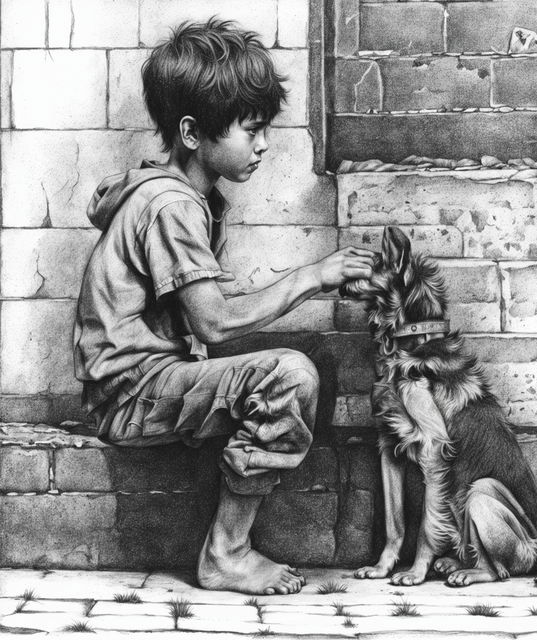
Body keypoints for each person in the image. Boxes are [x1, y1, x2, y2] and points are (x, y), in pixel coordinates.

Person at [73, 18, 374, 595]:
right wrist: (311, 277)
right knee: (291, 374)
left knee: (313, 361)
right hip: (130, 396)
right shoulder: (170, 206)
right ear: (192, 132)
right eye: (251, 129)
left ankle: (239, 533)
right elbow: (212, 321)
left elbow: (203, 321)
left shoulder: (196, 201)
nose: (263, 145)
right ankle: (227, 552)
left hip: (154, 379)